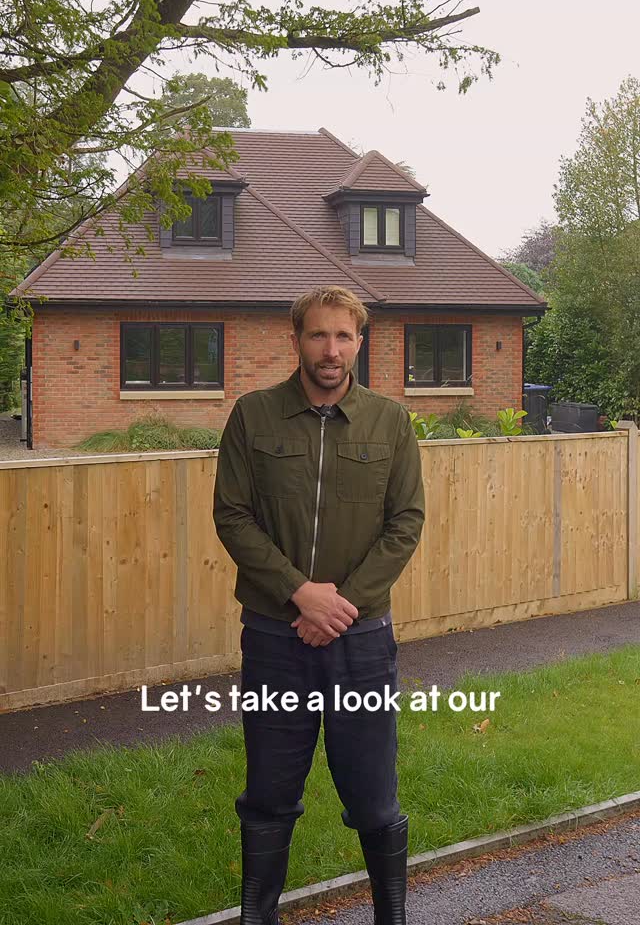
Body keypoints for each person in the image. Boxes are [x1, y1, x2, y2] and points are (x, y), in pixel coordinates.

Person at [213, 285, 425, 925]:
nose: (331, 350)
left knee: (372, 796)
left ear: (359, 342)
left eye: (343, 336)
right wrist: (299, 593)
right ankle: (258, 916)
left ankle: (393, 915)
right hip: (276, 639)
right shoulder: (253, 416)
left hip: (361, 644)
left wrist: (343, 607)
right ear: (296, 338)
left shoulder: (391, 422)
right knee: (270, 793)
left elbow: (406, 523)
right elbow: (233, 515)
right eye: (318, 335)